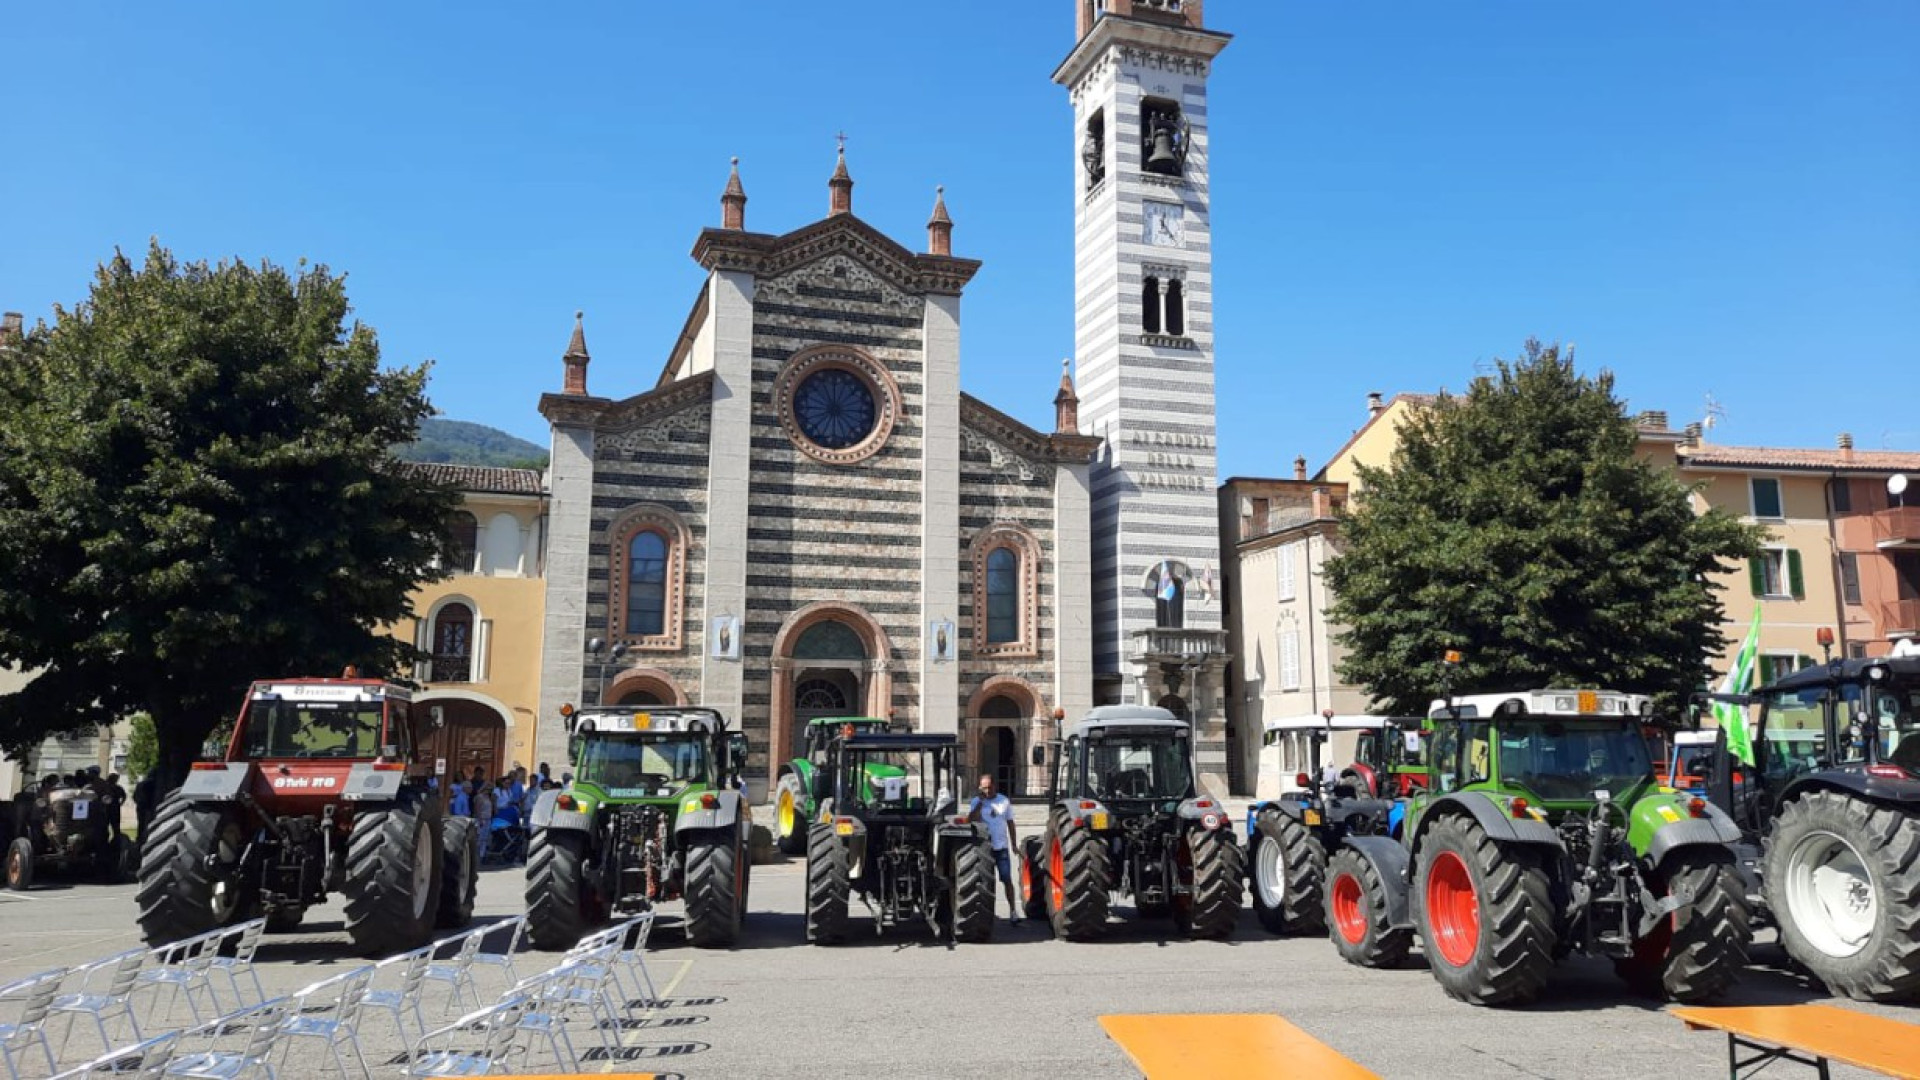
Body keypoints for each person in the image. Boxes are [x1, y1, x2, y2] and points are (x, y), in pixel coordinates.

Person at [968, 774, 1021, 926]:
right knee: (983, 882)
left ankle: (1013, 911)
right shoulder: (976, 801)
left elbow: (1010, 823)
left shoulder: (1004, 801)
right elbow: (971, 819)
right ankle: (984, 914)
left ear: (994, 786)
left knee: (1007, 879)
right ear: (980, 788)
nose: (987, 791)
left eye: (989, 787)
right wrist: (980, 804)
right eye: (984, 788)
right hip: (983, 849)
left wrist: (1014, 844)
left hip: (1001, 847)